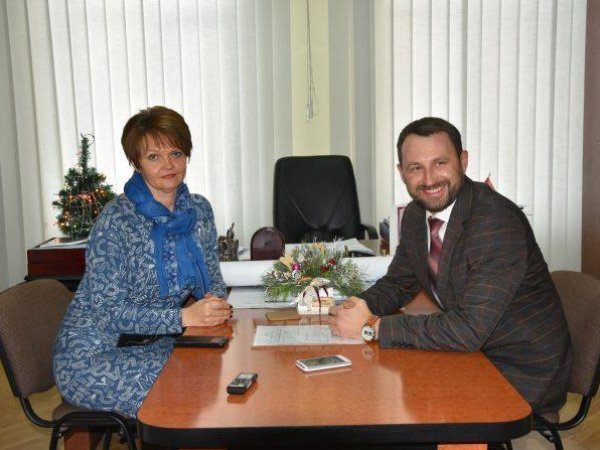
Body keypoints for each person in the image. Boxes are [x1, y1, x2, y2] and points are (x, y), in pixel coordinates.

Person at [329, 117, 571, 416]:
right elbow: (399, 283)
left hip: (518, 370)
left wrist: (371, 327)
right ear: (402, 173)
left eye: (440, 163)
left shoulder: (495, 222)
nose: (429, 180)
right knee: (374, 394)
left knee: (389, 407)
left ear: (463, 161)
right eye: (415, 168)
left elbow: (467, 330)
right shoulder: (417, 214)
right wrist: (353, 308)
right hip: (473, 354)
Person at [53, 106, 231, 417]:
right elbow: (110, 313)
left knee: (219, 367)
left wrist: (213, 305)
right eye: (153, 157)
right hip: (95, 356)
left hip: (156, 343)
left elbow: (213, 278)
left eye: (176, 153)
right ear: (136, 162)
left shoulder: (199, 211)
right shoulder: (116, 221)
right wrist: (184, 317)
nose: (168, 165)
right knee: (189, 387)